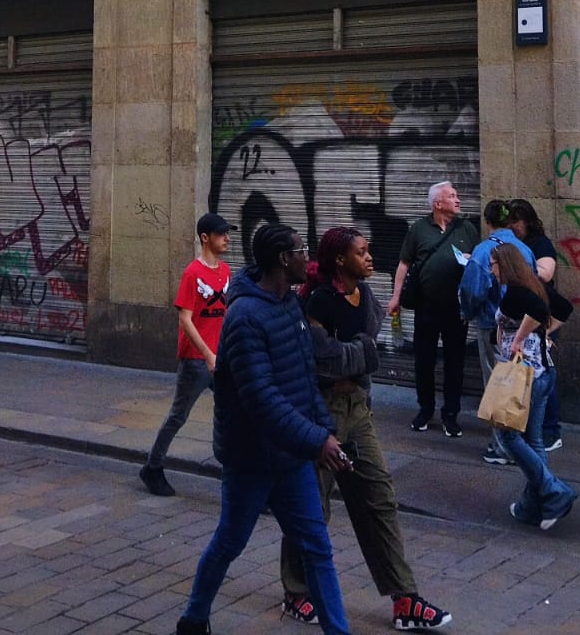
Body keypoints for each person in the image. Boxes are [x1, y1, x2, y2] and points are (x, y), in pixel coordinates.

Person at [176, 223, 354, 635]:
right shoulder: (244, 318)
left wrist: (325, 430)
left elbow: (304, 377)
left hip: (291, 458)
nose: (307, 257)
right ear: (281, 259)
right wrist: (316, 440)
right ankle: (193, 620)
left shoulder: (289, 303)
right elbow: (262, 399)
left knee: (317, 548)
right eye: (300, 250)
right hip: (251, 458)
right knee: (229, 542)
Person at [279, 227, 452, 630]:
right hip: (321, 413)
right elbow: (326, 361)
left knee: (379, 498)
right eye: (362, 252)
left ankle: (404, 599)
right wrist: (363, 355)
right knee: (312, 508)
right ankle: (296, 590)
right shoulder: (319, 301)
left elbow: (353, 351)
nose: (370, 258)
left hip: (358, 410)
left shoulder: (367, 297)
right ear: (341, 260)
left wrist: (354, 356)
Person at [141, 212, 233, 498]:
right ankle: (152, 467)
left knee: (233, 414)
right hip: (196, 360)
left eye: (227, 233)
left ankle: (238, 475)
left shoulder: (226, 271)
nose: (227, 238)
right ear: (205, 237)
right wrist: (207, 354)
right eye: (221, 234)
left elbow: (226, 314)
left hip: (222, 358)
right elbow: (186, 319)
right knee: (179, 415)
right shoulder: (193, 273)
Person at [490, 243, 577, 530]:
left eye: (494, 265)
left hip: (525, 377)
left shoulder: (517, 292)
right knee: (534, 440)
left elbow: (540, 311)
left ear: (505, 265)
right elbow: (562, 307)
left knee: (507, 436)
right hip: (542, 372)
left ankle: (555, 492)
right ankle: (532, 506)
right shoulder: (533, 285)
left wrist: (518, 339)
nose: (492, 271)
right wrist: (542, 334)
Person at [389, 181, 478, 436]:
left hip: (457, 308)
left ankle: (451, 414)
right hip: (426, 306)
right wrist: (396, 297)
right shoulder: (419, 229)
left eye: (457, 195)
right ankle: (425, 409)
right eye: (453, 196)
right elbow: (404, 264)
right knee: (424, 360)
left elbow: (483, 263)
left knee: (455, 362)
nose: (458, 200)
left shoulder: (467, 228)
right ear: (438, 204)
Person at [458, 200, 532, 465]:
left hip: (493, 325)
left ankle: (503, 447)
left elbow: (471, 290)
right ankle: (521, 443)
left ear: (487, 222)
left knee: (497, 384)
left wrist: (467, 312)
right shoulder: (524, 249)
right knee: (519, 384)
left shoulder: (483, 251)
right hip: (523, 328)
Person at [509, 198, 568, 451]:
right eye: (508, 221)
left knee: (542, 373)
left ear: (528, 221)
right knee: (529, 376)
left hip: (539, 317)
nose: (512, 226)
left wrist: (516, 265)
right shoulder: (514, 243)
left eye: (516, 221)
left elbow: (546, 272)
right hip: (522, 318)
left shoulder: (539, 244)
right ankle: (534, 429)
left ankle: (550, 431)